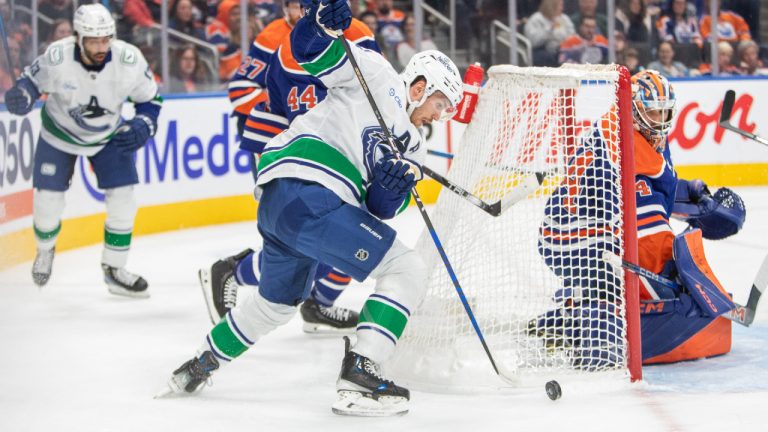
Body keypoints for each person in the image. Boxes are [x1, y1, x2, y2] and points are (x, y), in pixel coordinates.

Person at [160, 0, 463, 417]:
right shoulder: (376, 75)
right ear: (419, 86)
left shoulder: (413, 146)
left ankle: (201, 362)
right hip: (311, 186)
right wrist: (318, 23)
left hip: (285, 208)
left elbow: (377, 208)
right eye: (441, 102)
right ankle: (361, 370)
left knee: (275, 304)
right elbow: (309, 52)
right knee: (407, 269)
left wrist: (391, 190)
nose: (440, 114)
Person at [534, 70, 746, 367]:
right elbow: (644, 214)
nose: (660, 119)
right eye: (652, 111)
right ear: (633, 107)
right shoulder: (622, 141)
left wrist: (701, 201)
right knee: (622, 281)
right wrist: (677, 274)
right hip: (572, 235)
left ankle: (568, 317)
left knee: (631, 279)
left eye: (664, 111)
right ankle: (593, 341)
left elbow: (655, 193)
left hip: (575, 229)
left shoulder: (632, 130)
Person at [210, 1, 380, 334]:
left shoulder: (359, 35)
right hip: (293, 154)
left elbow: (379, 93)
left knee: (356, 231)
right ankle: (237, 271)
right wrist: (287, 139)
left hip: (343, 154)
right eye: (294, 6)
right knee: (308, 240)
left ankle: (318, 305)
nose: (297, 12)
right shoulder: (277, 41)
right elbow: (245, 90)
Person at [3, 4, 162, 297]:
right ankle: (45, 249)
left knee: (124, 200)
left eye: (105, 39)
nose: (101, 47)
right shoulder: (57, 56)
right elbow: (30, 82)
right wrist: (22, 95)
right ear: (79, 38)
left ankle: (114, 269)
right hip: (58, 134)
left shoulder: (129, 59)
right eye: (93, 40)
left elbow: (151, 101)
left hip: (108, 134)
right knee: (47, 203)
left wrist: (143, 124)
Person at [523, 0, 576, 67]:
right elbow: (533, 41)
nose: (562, 8)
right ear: (551, 6)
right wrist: (550, 29)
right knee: (546, 56)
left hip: (561, 49)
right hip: (542, 50)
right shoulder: (536, 19)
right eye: (560, 5)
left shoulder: (564, 18)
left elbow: (572, 35)